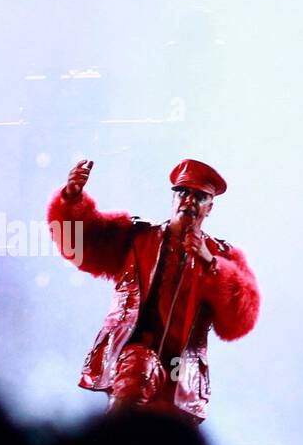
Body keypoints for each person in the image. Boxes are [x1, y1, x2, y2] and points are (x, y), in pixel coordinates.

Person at [47, 158, 261, 422]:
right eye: (183, 192)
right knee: (135, 383)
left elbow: (240, 320)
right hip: (134, 358)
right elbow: (81, 245)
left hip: (181, 376)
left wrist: (211, 264)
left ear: (210, 207)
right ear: (173, 198)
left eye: (200, 196)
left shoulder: (221, 255)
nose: (189, 201)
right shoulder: (137, 235)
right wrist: (72, 199)